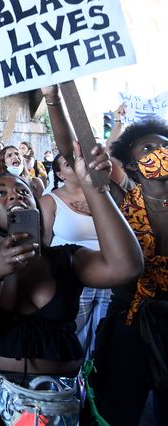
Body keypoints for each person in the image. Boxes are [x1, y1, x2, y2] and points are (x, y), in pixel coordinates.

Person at [0, 140, 143, 425]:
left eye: (23, 191)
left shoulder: (65, 259)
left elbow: (127, 267)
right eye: (1, 192)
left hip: (65, 403)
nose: (15, 196)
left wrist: (95, 187)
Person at [91, 118, 168, 425]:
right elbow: (82, 155)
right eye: (148, 148)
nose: (160, 151)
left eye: (165, 146)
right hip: (131, 319)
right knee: (121, 407)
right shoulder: (122, 202)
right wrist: (53, 97)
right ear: (133, 166)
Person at [41, 154, 109, 355]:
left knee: (103, 332)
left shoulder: (103, 195)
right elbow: (43, 243)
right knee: (73, 332)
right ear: (59, 174)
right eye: (69, 165)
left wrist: (98, 210)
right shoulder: (50, 200)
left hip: (110, 275)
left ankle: (97, 377)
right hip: (73, 276)